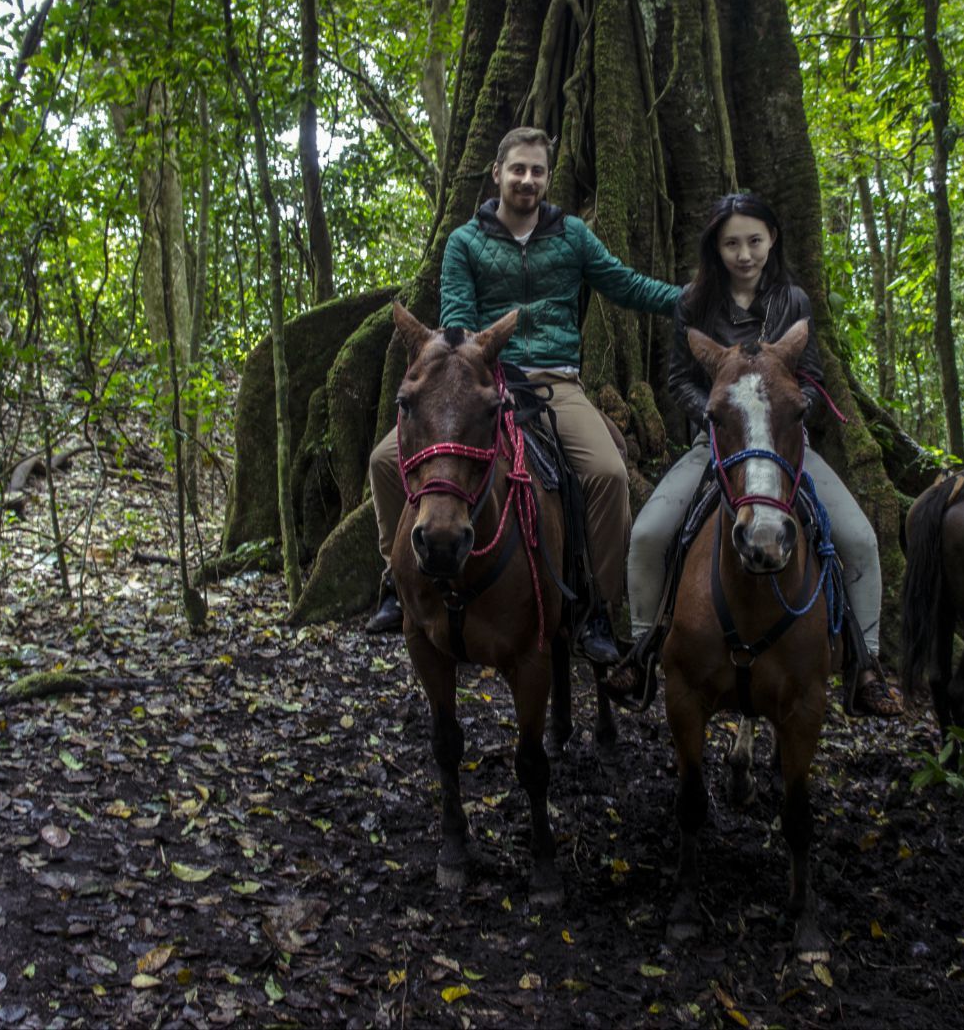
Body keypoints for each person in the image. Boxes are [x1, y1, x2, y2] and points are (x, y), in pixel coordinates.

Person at [365, 127, 683, 665]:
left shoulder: (573, 235)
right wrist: (479, 378)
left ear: (547, 178)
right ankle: (399, 578)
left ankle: (597, 609)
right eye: (518, 169)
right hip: (482, 381)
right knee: (384, 459)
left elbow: (625, 284)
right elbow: (460, 325)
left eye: (538, 171)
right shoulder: (466, 242)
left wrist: (690, 299)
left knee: (607, 473)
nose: (528, 180)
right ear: (497, 173)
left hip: (555, 382)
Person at [622, 193, 902, 716]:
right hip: (718, 447)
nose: (744, 254)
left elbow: (813, 377)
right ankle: (641, 651)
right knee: (648, 533)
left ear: (772, 240)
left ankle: (867, 664)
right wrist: (718, 411)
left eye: (754, 240)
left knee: (859, 538)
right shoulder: (692, 304)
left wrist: (791, 408)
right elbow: (679, 378)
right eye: (732, 243)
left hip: (786, 450)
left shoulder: (793, 301)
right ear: (716, 248)